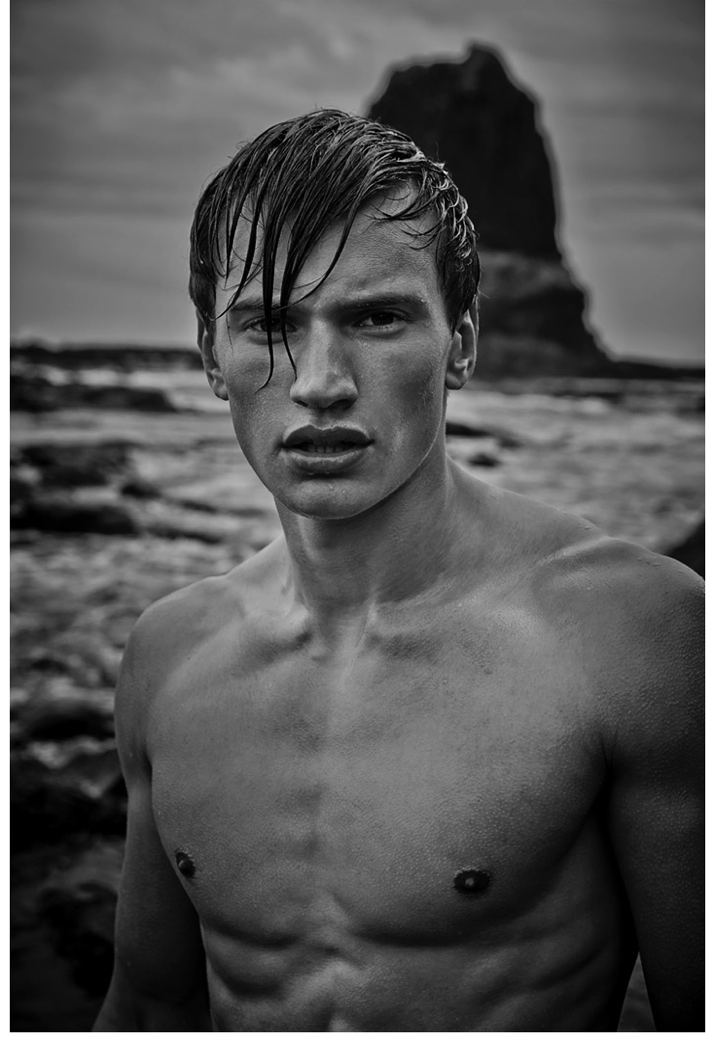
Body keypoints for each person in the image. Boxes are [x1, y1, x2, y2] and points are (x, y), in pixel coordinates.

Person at [93, 109, 703, 1032]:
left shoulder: (633, 636)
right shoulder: (169, 655)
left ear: (460, 344)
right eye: (268, 324)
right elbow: (148, 1005)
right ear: (211, 357)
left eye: (375, 318)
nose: (320, 382)